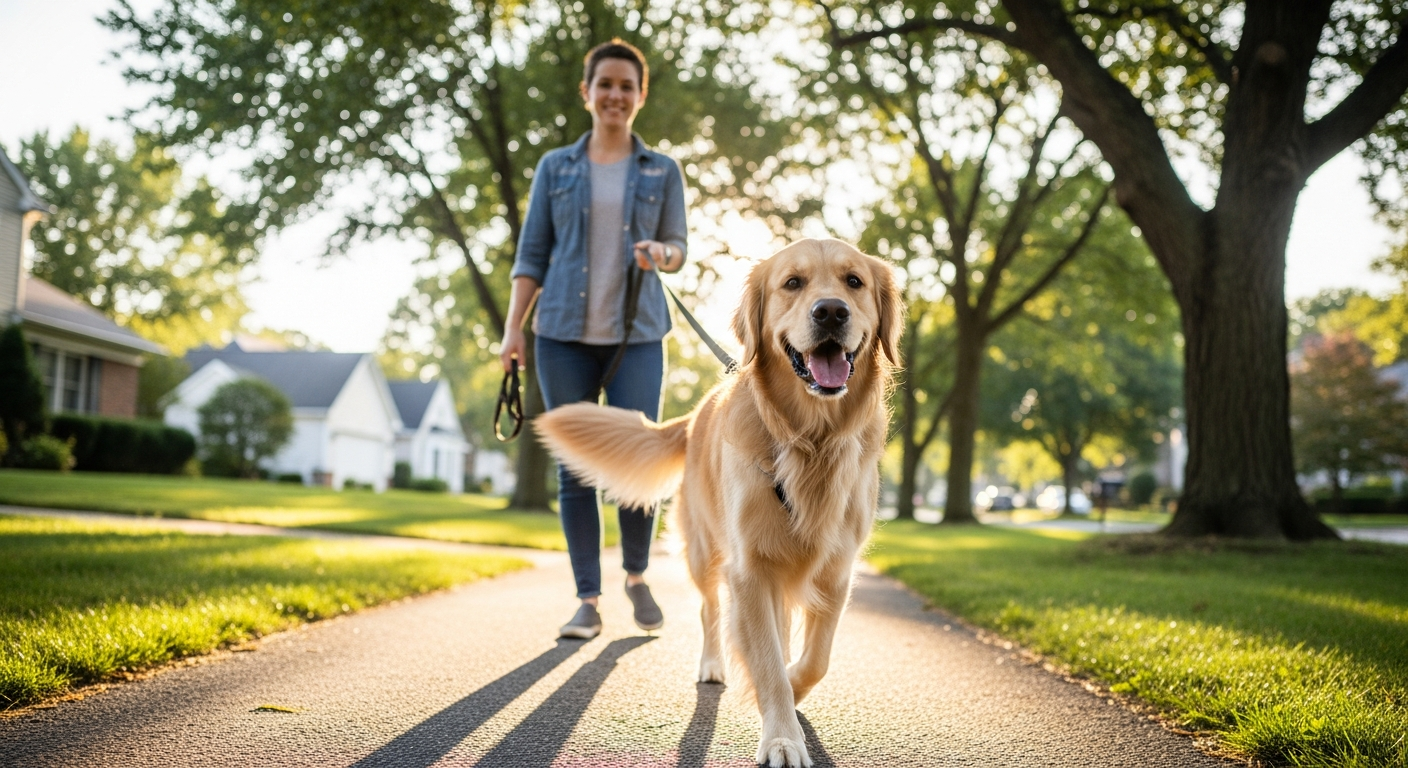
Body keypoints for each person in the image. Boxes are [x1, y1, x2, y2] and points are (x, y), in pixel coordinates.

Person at [500, 39, 687, 640]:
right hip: (560, 333)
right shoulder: (557, 167)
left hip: (637, 334)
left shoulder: (663, 170)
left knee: (640, 457)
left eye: (626, 86)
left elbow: (679, 247)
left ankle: (636, 575)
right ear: (587, 92)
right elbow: (532, 255)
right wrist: (513, 330)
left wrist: (662, 252)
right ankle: (587, 597)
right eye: (604, 84)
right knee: (576, 468)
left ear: (640, 96)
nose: (615, 95)